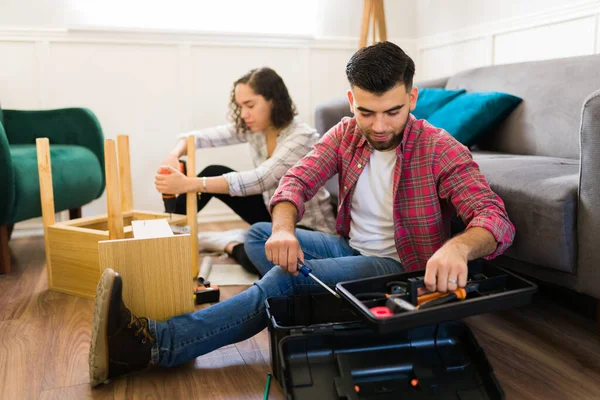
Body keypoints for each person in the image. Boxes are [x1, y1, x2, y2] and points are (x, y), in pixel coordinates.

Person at [89, 42, 515, 387]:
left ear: (412, 98)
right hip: (349, 245)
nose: (380, 126)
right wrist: (284, 229)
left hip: (399, 264)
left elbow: (493, 217)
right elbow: (295, 181)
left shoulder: (440, 148)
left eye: (393, 111)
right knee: (260, 233)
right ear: (352, 101)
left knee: (285, 278)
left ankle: (153, 345)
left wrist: (458, 248)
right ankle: (318, 293)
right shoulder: (346, 133)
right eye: (367, 112)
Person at [155, 67, 335, 274]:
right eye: (240, 106)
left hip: (307, 227)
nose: (243, 114)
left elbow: (261, 179)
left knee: (263, 260)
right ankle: (165, 235)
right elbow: (199, 137)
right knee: (213, 170)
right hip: (271, 212)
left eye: (250, 105)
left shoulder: (302, 137)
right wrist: (174, 155)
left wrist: (188, 183)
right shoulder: (257, 128)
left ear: (273, 101)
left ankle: (225, 243)